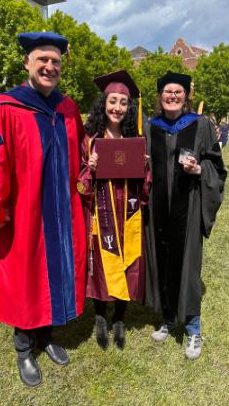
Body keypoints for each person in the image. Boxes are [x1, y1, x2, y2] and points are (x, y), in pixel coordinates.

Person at [0, 32, 86, 387]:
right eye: (43, 61)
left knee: (55, 273)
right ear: (28, 64)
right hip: (24, 215)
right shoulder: (7, 108)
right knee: (26, 277)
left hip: (62, 214)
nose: (50, 67)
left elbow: (80, 154)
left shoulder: (68, 109)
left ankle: (46, 336)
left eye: (56, 62)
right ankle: (24, 347)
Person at [144, 71, 227, 360]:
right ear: (160, 96)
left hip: (188, 207)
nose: (172, 95)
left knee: (188, 266)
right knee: (163, 262)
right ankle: (169, 319)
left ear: (186, 95)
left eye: (178, 91)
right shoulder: (149, 126)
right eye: (167, 91)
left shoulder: (200, 124)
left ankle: (193, 328)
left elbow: (217, 165)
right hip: (158, 210)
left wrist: (200, 170)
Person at [77, 70, 151, 350]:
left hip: (129, 214)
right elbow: (81, 185)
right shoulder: (89, 140)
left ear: (128, 107)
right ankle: (99, 315)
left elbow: (146, 186)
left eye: (123, 102)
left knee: (128, 261)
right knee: (101, 266)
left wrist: (144, 167)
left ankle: (120, 316)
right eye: (112, 101)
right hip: (102, 212)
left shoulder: (136, 140)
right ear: (103, 104)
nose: (117, 107)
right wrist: (90, 168)